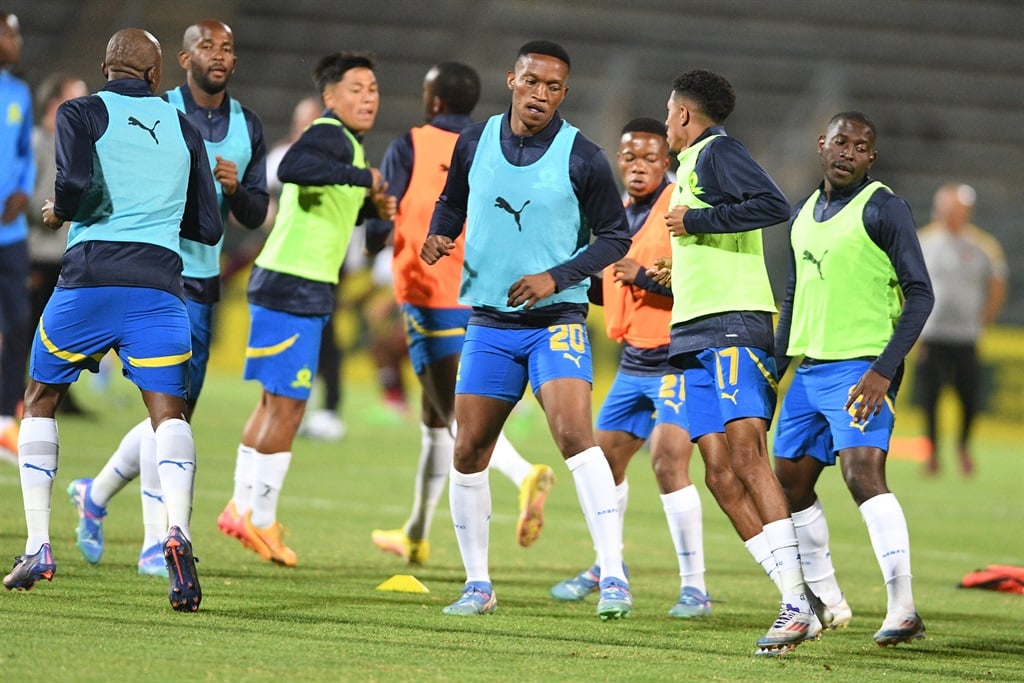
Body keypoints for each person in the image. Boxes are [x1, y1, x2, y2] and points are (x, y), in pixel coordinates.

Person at [2, 28, 221, 614]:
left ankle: (38, 545)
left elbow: (71, 183)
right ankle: (177, 532)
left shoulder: (81, 111)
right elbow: (209, 227)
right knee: (167, 416)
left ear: (105, 69)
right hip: (160, 288)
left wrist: (58, 211)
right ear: (156, 77)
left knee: (39, 397)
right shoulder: (184, 126)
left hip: (90, 281)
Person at [421, 40, 632, 619]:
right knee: (468, 448)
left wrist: (555, 277)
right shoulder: (474, 141)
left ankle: (612, 574)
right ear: (512, 80)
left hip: (555, 321)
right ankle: (478, 585)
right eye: (532, 82)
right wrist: (440, 234)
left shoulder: (582, 157)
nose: (541, 95)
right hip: (489, 321)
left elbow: (616, 237)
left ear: (564, 93)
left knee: (572, 435)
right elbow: (451, 202)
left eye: (554, 87)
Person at [64, 19, 270, 577]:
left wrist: (232, 187)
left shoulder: (247, 124)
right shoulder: (159, 110)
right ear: (181, 59)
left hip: (203, 283)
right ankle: (156, 541)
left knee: (174, 415)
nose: (219, 55)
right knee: (170, 415)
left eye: (228, 46)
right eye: (208, 45)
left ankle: (96, 492)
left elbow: (255, 214)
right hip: (154, 276)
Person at [367, 61, 556, 565]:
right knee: (434, 420)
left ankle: (524, 474)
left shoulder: (409, 144)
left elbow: (378, 224)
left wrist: (372, 233)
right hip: (478, 293)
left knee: (454, 420)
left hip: (426, 295)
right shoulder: (491, 144)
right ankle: (415, 532)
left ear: (432, 102)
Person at [651, 69, 811, 655]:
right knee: (717, 471)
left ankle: (798, 601)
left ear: (685, 115)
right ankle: (799, 596)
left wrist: (695, 222)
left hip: (733, 325)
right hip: (693, 328)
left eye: (669, 113)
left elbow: (772, 204)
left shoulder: (717, 152)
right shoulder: (690, 169)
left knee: (746, 456)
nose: (667, 122)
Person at [218, 50, 394, 566]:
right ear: (331, 97)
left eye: (374, 89)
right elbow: (295, 165)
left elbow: (365, 231)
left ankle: (240, 506)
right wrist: (364, 183)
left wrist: (376, 209)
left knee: (273, 404)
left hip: (294, 282)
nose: (368, 98)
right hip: (294, 283)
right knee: (289, 408)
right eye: (357, 88)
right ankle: (263, 521)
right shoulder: (328, 134)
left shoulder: (351, 150)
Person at [772, 111, 934, 647]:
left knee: (862, 475)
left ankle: (903, 608)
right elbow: (795, 298)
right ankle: (826, 600)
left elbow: (920, 294)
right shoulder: (801, 215)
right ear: (822, 144)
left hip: (860, 368)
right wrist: (776, 366)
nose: (848, 152)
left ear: (871, 158)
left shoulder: (885, 208)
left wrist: (882, 370)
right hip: (809, 369)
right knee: (789, 484)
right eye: (841, 141)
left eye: (861, 146)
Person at [550, 118, 708, 617]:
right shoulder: (617, 217)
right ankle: (606, 565)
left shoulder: (679, 212)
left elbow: (704, 286)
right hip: (631, 363)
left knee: (667, 462)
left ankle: (695, 587)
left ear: (667, 163)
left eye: (649, 158)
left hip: (676, 362)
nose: (638, 167)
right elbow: (608, 287)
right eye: (629, 158)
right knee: (603, 466)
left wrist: (643, 276)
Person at [915, 182, 1007, 475]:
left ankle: (963, 444)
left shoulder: (984, 246)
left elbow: (997, 285)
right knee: (930, 397)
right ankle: (932, 451)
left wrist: (983, 321)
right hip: (932, 335)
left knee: (969, 396)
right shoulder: (922, 240)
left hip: (965, 337)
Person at [26, 73, 89, 419]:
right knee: (26, 328)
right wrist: (57, 210)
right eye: (77, 99)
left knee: (61, 330)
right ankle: (26, 395)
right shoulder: (37, 143)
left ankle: (58, 394)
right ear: (56, 106)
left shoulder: (75, 146)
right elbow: (20, 195)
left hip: (66, 255)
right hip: (37, 254)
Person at [0, 12, 33, 462]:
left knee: (19, 321)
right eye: (7, 32)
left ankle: (6, 418)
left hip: (12, 231)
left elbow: (24, 152)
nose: (15, 40)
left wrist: (24, 189)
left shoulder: (20, 93)